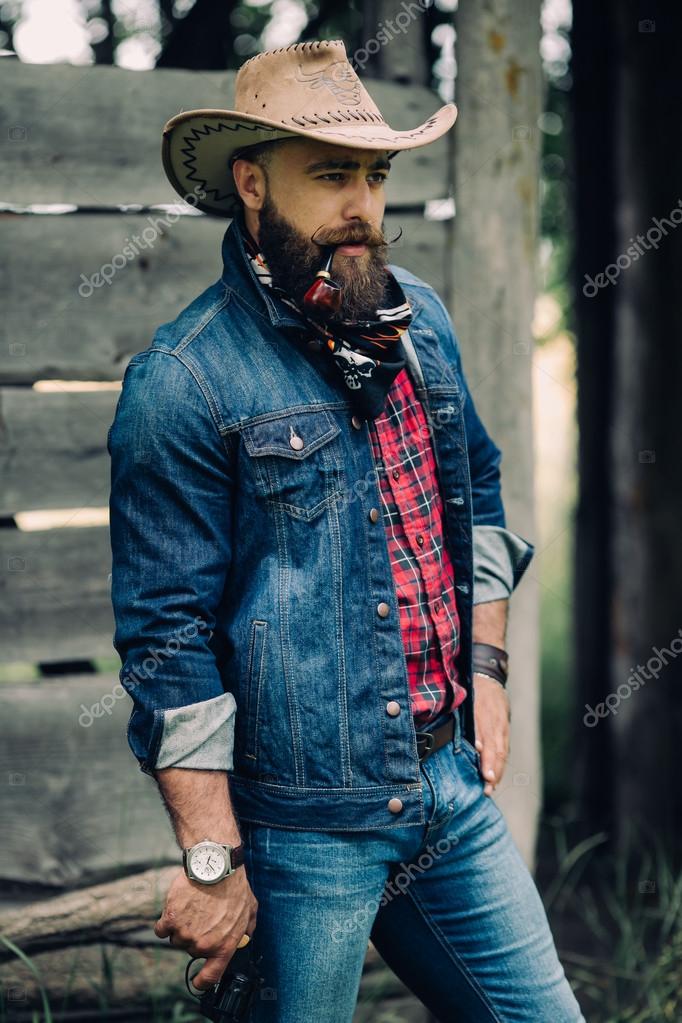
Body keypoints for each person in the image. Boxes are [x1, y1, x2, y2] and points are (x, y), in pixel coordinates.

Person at [108, 38, 586, 1023]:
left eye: (374, 174)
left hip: (448, 795)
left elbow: (481, 497)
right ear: (251, 182)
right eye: (331, 175)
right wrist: (211, 860)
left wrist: (487, 678)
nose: (362, 204)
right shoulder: (184, 383)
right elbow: (165, 641)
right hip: (302, 828)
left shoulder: (426, 330)